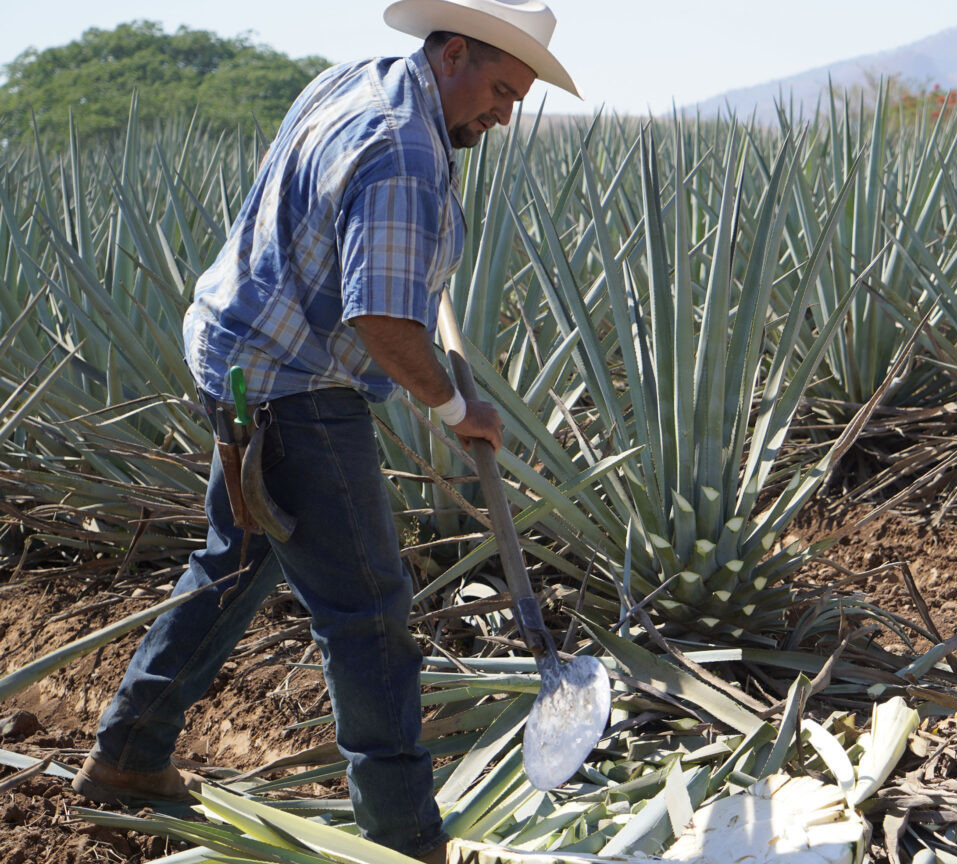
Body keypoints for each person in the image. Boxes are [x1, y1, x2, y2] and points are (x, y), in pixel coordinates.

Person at [69, 1, 580, 860]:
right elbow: (381, 319)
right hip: (296, 389)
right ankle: (405, 838)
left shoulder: (362, 84)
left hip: (235, 361)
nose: (505, 113)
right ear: (451, 52)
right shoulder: (406, 151)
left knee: (232, 564)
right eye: (498, 88)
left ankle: (128, 756)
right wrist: (458, 410)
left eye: (518, 97)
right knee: (369, 613)